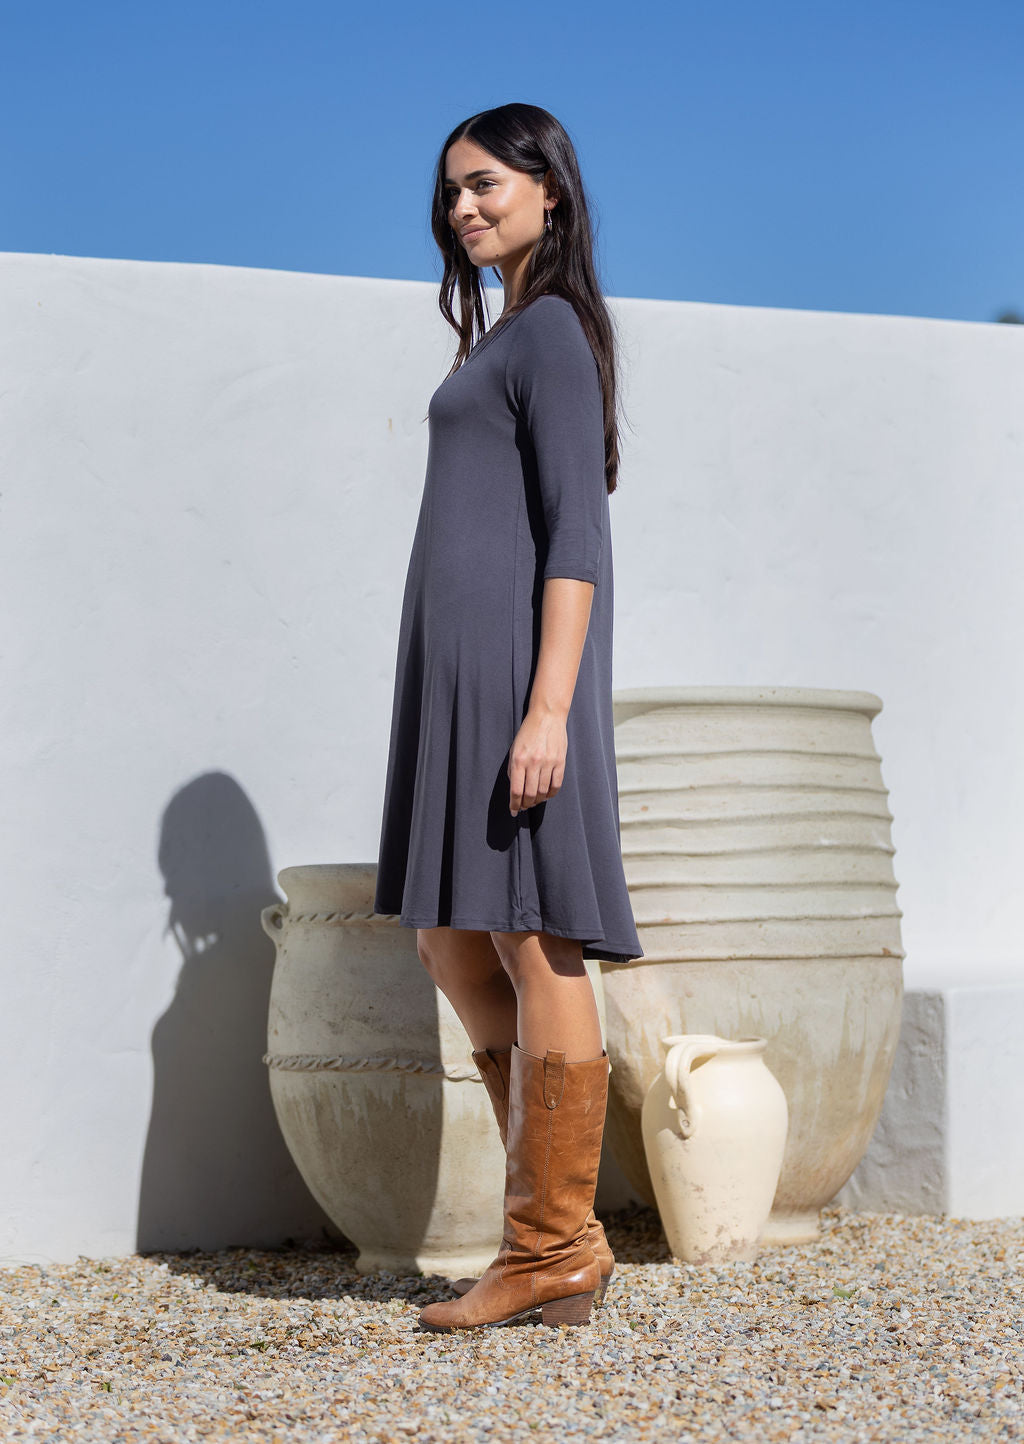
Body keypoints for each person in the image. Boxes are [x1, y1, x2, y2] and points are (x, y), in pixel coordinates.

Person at [373, 102, 644, 1332]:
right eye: (451, 194)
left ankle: (548, 1245)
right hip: (459, 684)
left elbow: (576, 544)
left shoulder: (548, 336)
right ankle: (558, 1234)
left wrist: (547, 709)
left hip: (517, 687)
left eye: (485, 184)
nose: (464, 208)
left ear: (550, 191)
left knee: (537, 940)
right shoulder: (503, 339)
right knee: (449, 938)